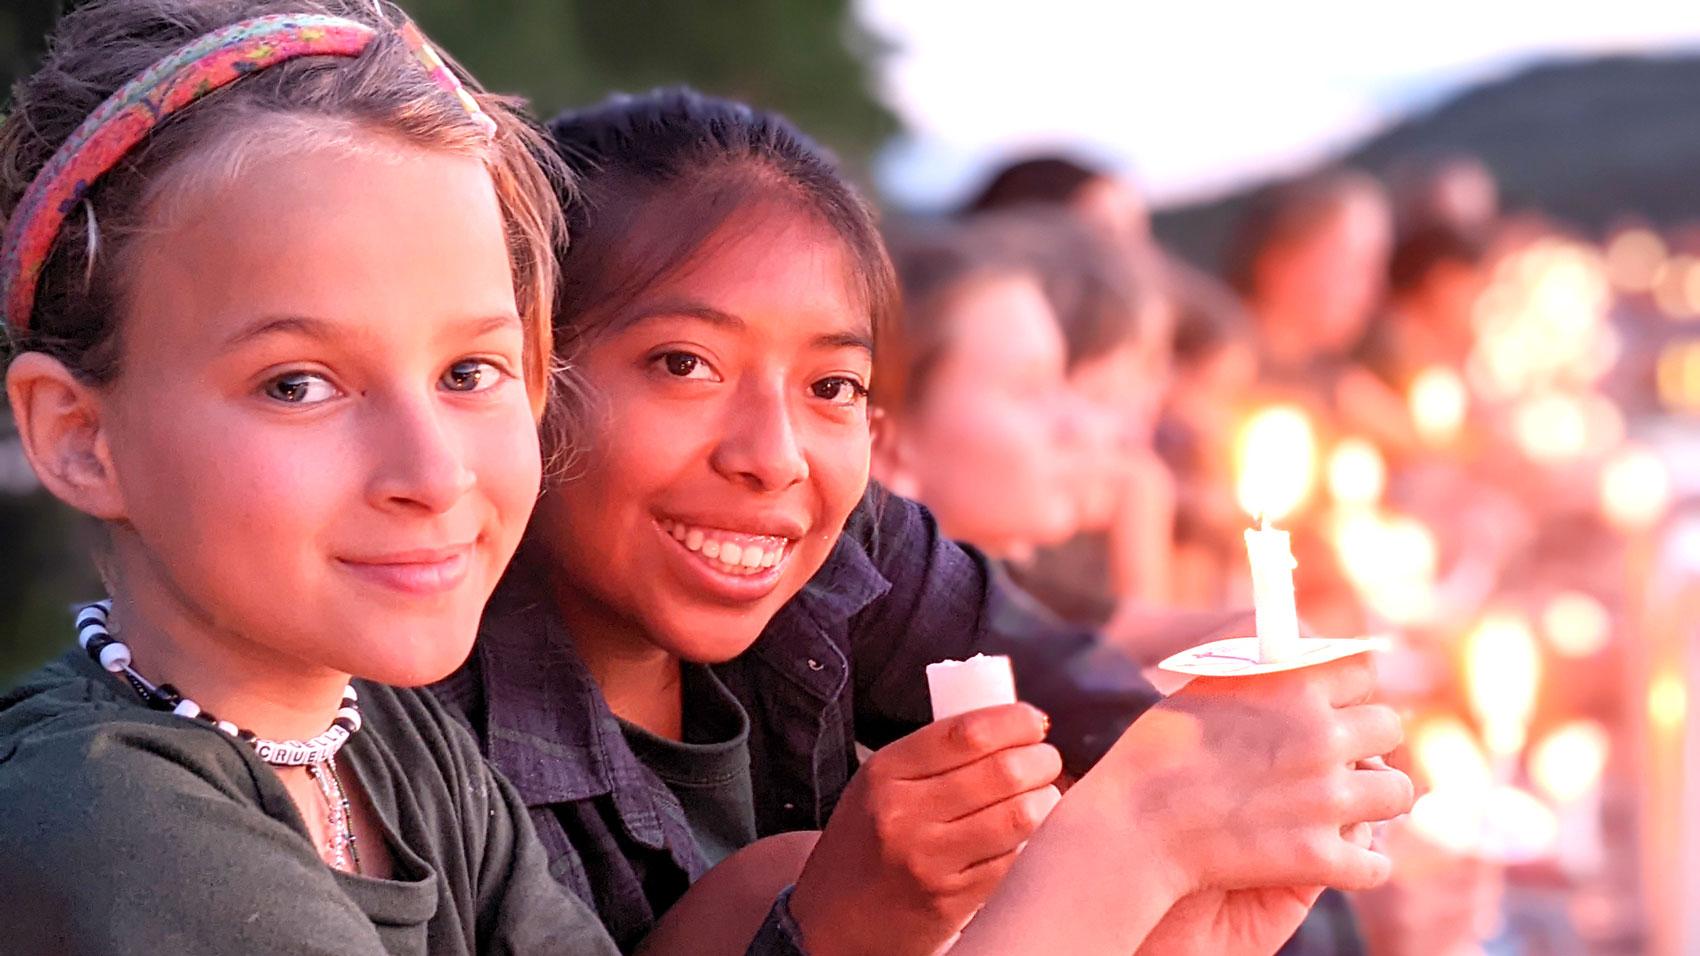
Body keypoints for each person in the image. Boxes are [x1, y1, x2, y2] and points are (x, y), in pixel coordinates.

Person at [438, 88, 1414, 956]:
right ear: (526, 366)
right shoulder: (428, 746)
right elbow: (1137, 803)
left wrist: (1282, 823)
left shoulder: (843, 551)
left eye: (831, 383)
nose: (771, 452)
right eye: (684, 364)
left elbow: (1102, 711)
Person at [0, 1, 624, 951]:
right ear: (81, 438)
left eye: (469, 372)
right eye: (297, 384)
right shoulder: (110, 823)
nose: (434, 472)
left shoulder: (398, 744)